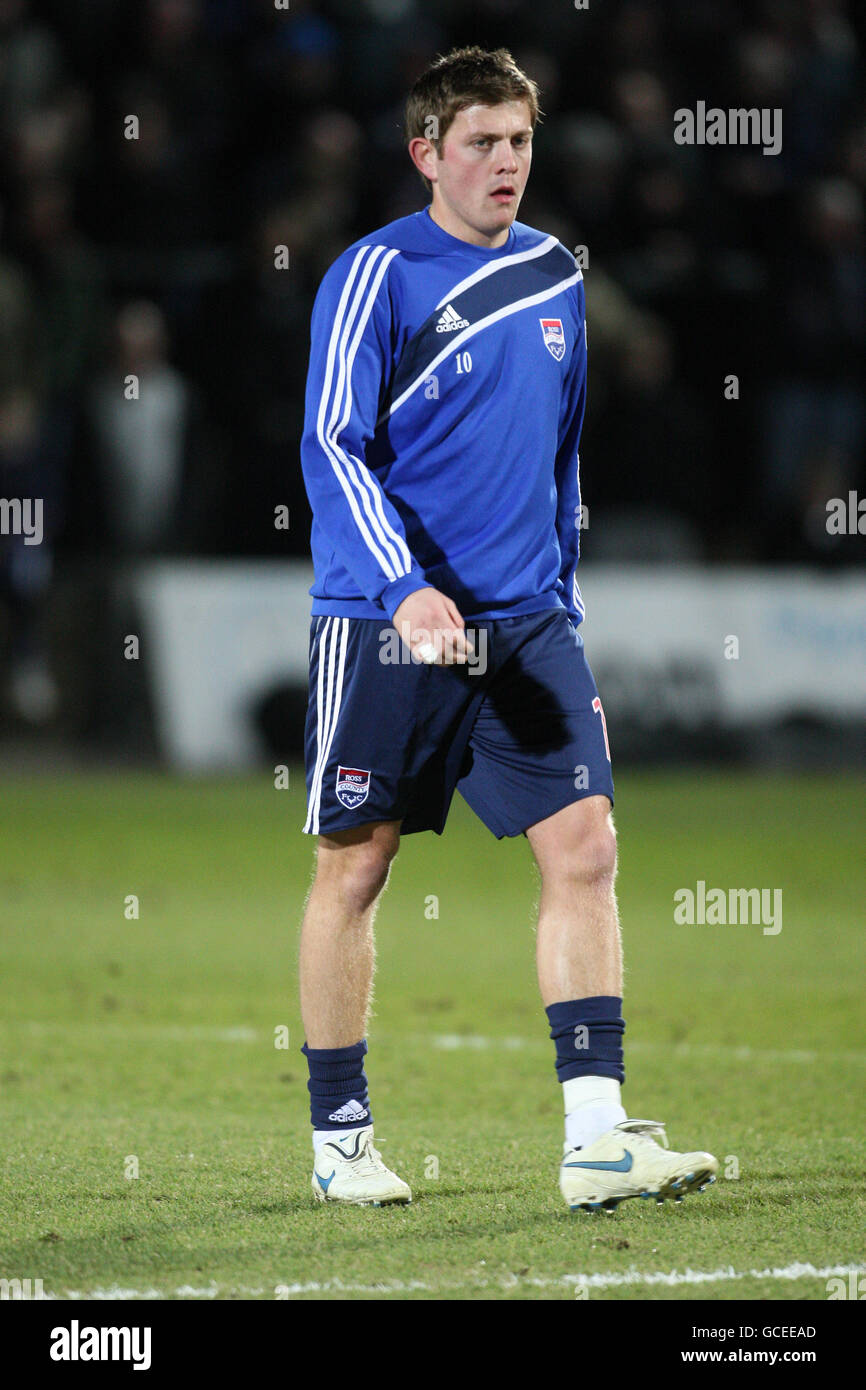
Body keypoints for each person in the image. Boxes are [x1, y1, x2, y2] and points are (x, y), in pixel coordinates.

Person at [297, 46, 717, 1212]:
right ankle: (340, 1140)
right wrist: (399, 588)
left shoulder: (554, 274)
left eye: (519, 142)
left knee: (585, 851)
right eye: (479, 142)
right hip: (388, 625)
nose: (505, 164)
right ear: (426, 153)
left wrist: (561, 596)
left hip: (524, 625)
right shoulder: (371, 273)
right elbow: (329, 445)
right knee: (357, 867)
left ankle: (595, 1140)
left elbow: (560, 452)